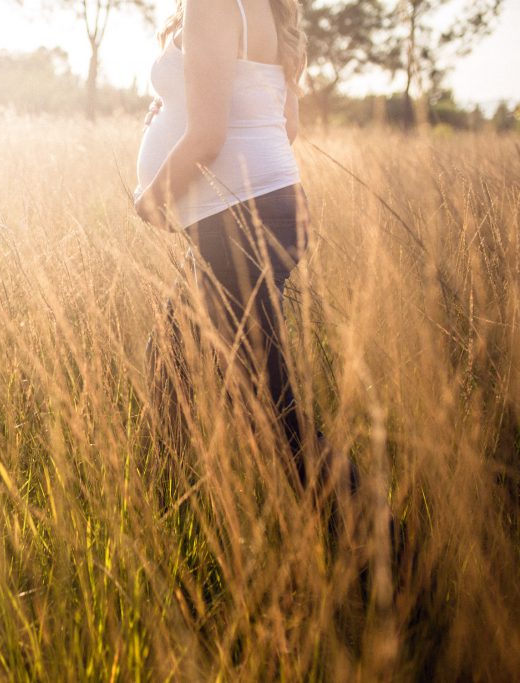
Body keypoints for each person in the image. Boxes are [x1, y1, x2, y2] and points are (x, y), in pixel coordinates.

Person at [134, 0, 321, 489]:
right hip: (269, 209)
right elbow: (286, 126)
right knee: (169, 362)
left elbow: (208, 138)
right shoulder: (270, 9)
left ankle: (392, 554)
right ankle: (165, 505)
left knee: (274, 416)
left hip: (239, 224)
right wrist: (173, 110)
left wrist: (151, 201)